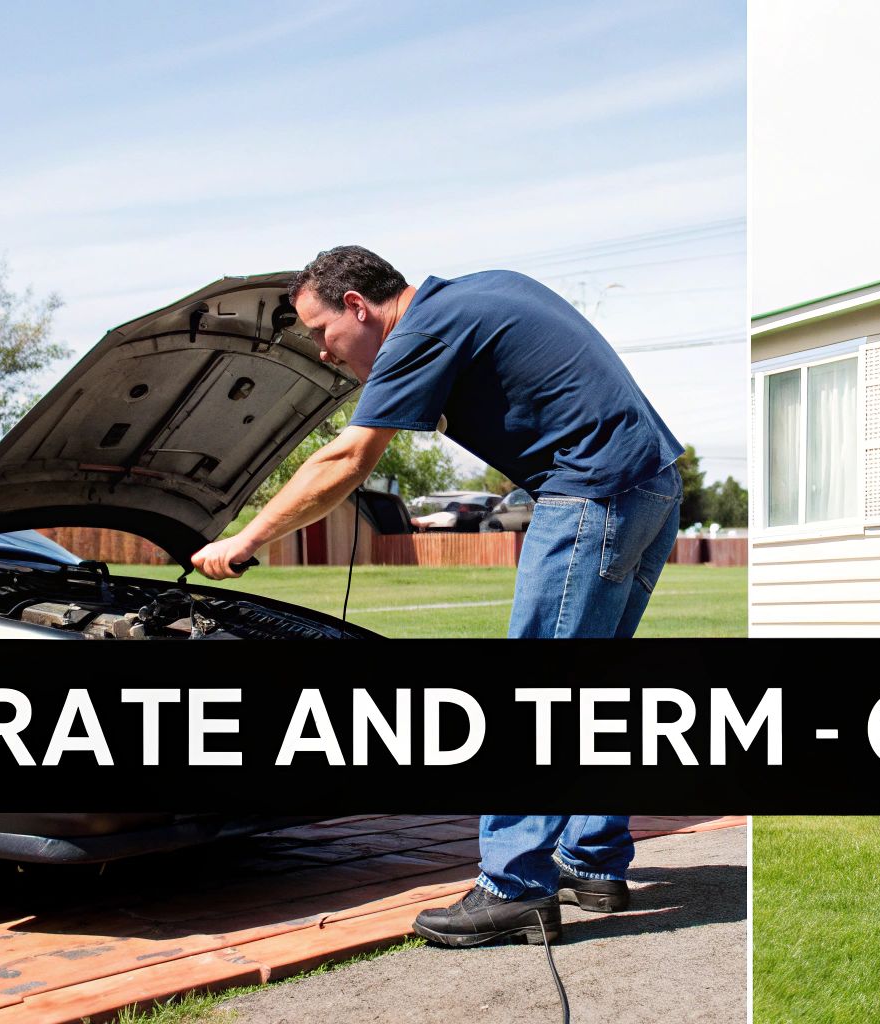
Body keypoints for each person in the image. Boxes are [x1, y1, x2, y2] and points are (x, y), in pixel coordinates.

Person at [187, 245, 685, 946]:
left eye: (323, 332)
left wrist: (244, 539)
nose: (324, 353)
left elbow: (346, 459)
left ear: (357, 306)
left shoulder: (420, 330)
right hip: (652, 485)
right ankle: (592, 860)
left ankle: (514, 887)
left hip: (591, 492)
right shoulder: (478, 291)